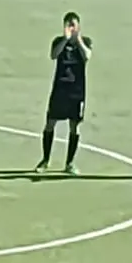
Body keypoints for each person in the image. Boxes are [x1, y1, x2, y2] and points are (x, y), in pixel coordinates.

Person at [37, 11, 90, 175]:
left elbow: (87, 56)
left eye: (73, 25)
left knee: (74, 127)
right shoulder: (58, 42)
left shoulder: (86, 42)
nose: (71, 28)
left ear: (78, 26)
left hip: (77, 91)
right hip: (60, 90)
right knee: (50, 123)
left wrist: (78, 39)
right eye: (68, 25)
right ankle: (45, 160)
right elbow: (53, 55)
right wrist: (66, 39)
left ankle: (70, 163)